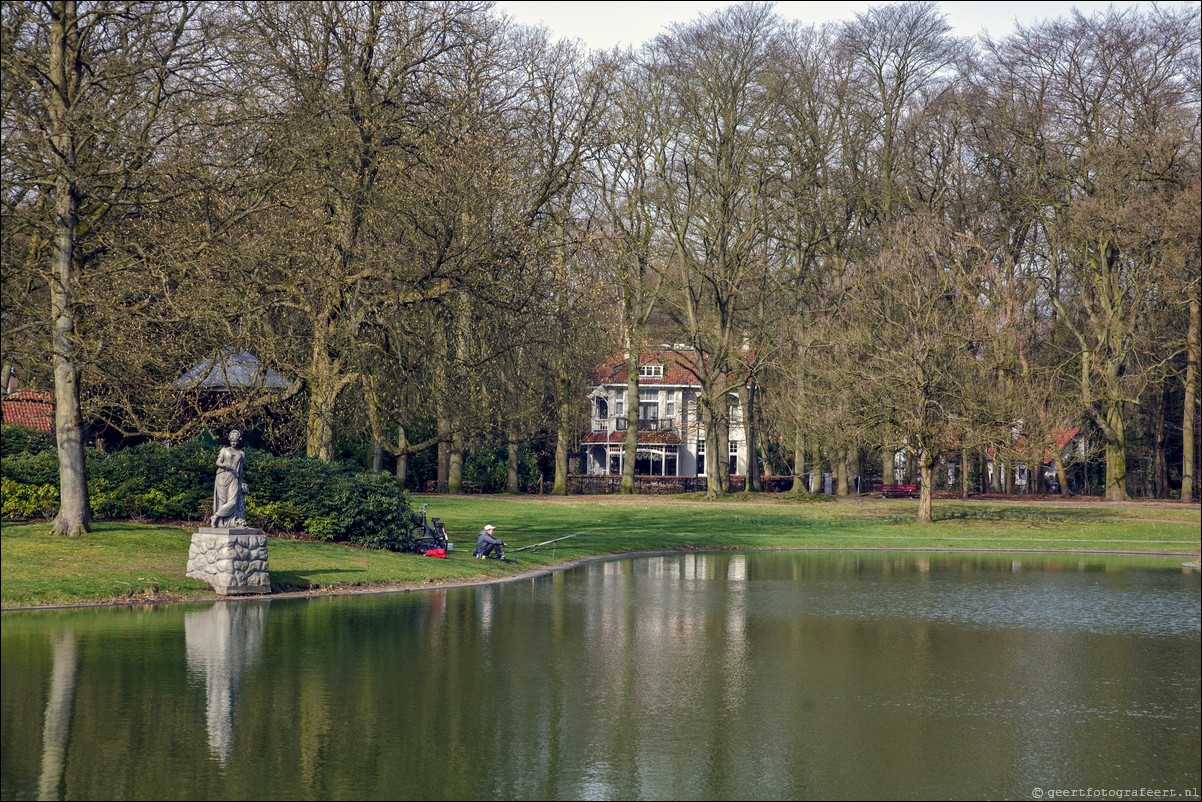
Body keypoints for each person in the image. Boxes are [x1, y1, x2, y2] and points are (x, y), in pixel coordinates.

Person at [211, 430, 247, 528]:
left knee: (233, 501)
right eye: (232, 441)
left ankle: (216, 516)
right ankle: (221, 522)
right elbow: (218, 462)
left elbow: (241, 470)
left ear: (238, 441)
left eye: (235, 441)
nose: (233, 443)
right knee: (223, 501)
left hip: (234, 477)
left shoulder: (241, 454)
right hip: (222, 476)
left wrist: (240, 482)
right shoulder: (224, 450)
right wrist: (225, 465)